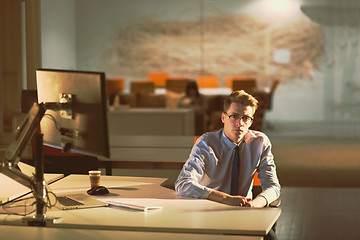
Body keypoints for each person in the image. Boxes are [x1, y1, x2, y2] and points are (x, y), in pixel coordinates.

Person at [175, 90, 280, 239]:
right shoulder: (206, 143)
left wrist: (255, 204)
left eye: (245, 118)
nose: (240, 123)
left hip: (245, 214)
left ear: (251, 121)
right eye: (234, 116)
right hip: (209, 213)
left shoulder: (260, 142)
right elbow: (183, 184)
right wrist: (225, 199)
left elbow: (273, 187)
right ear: (223, 117)